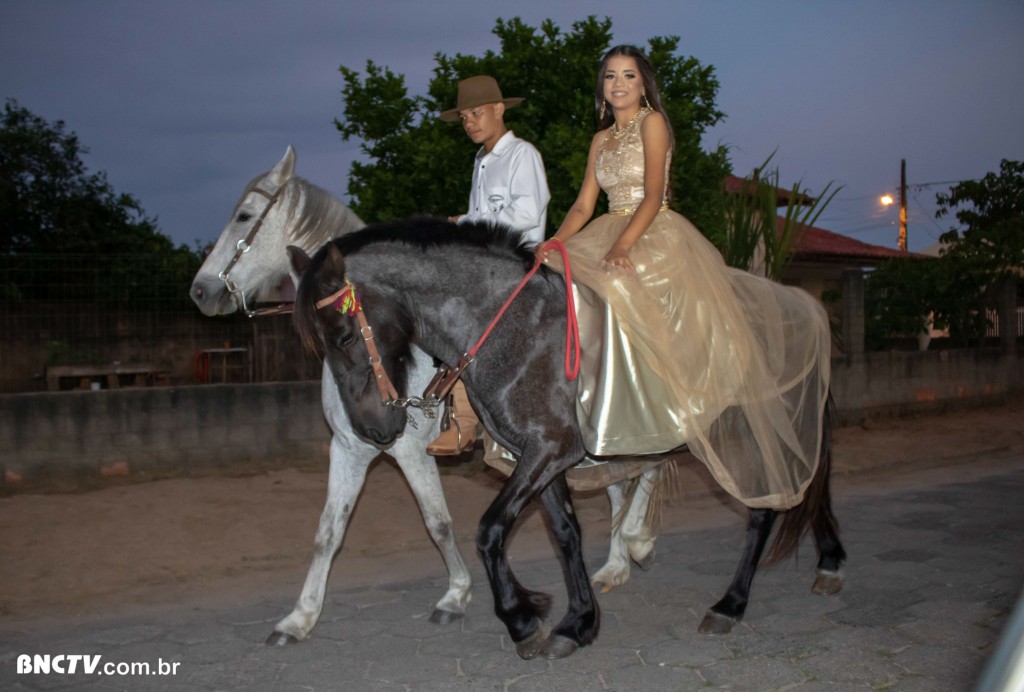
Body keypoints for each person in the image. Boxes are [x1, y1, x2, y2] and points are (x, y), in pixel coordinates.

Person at [540, 45, 832, 510]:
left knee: (618, 285)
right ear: (601, 87)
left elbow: (653, 193)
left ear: (643, 83)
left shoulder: (652, 123)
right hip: (607, 226)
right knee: (563, 286)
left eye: (628, 75)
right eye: (610, 76)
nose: (618, 83)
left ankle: (657, 404)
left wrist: (622, 246)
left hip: (651, 229)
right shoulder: (600, 140)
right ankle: (584, 408)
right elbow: (582, 206)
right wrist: (551, 244)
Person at [429, 75, 551, 456]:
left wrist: (469, 223)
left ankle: (465, 420)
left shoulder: (522, 155)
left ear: (499, 109)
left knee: (464, 315)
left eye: (476, 113)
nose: (469, 123)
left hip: (518, 262)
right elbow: (479, 219)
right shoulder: (480, 161)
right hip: (488, 264)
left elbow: (528, 213)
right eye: (464, 117)